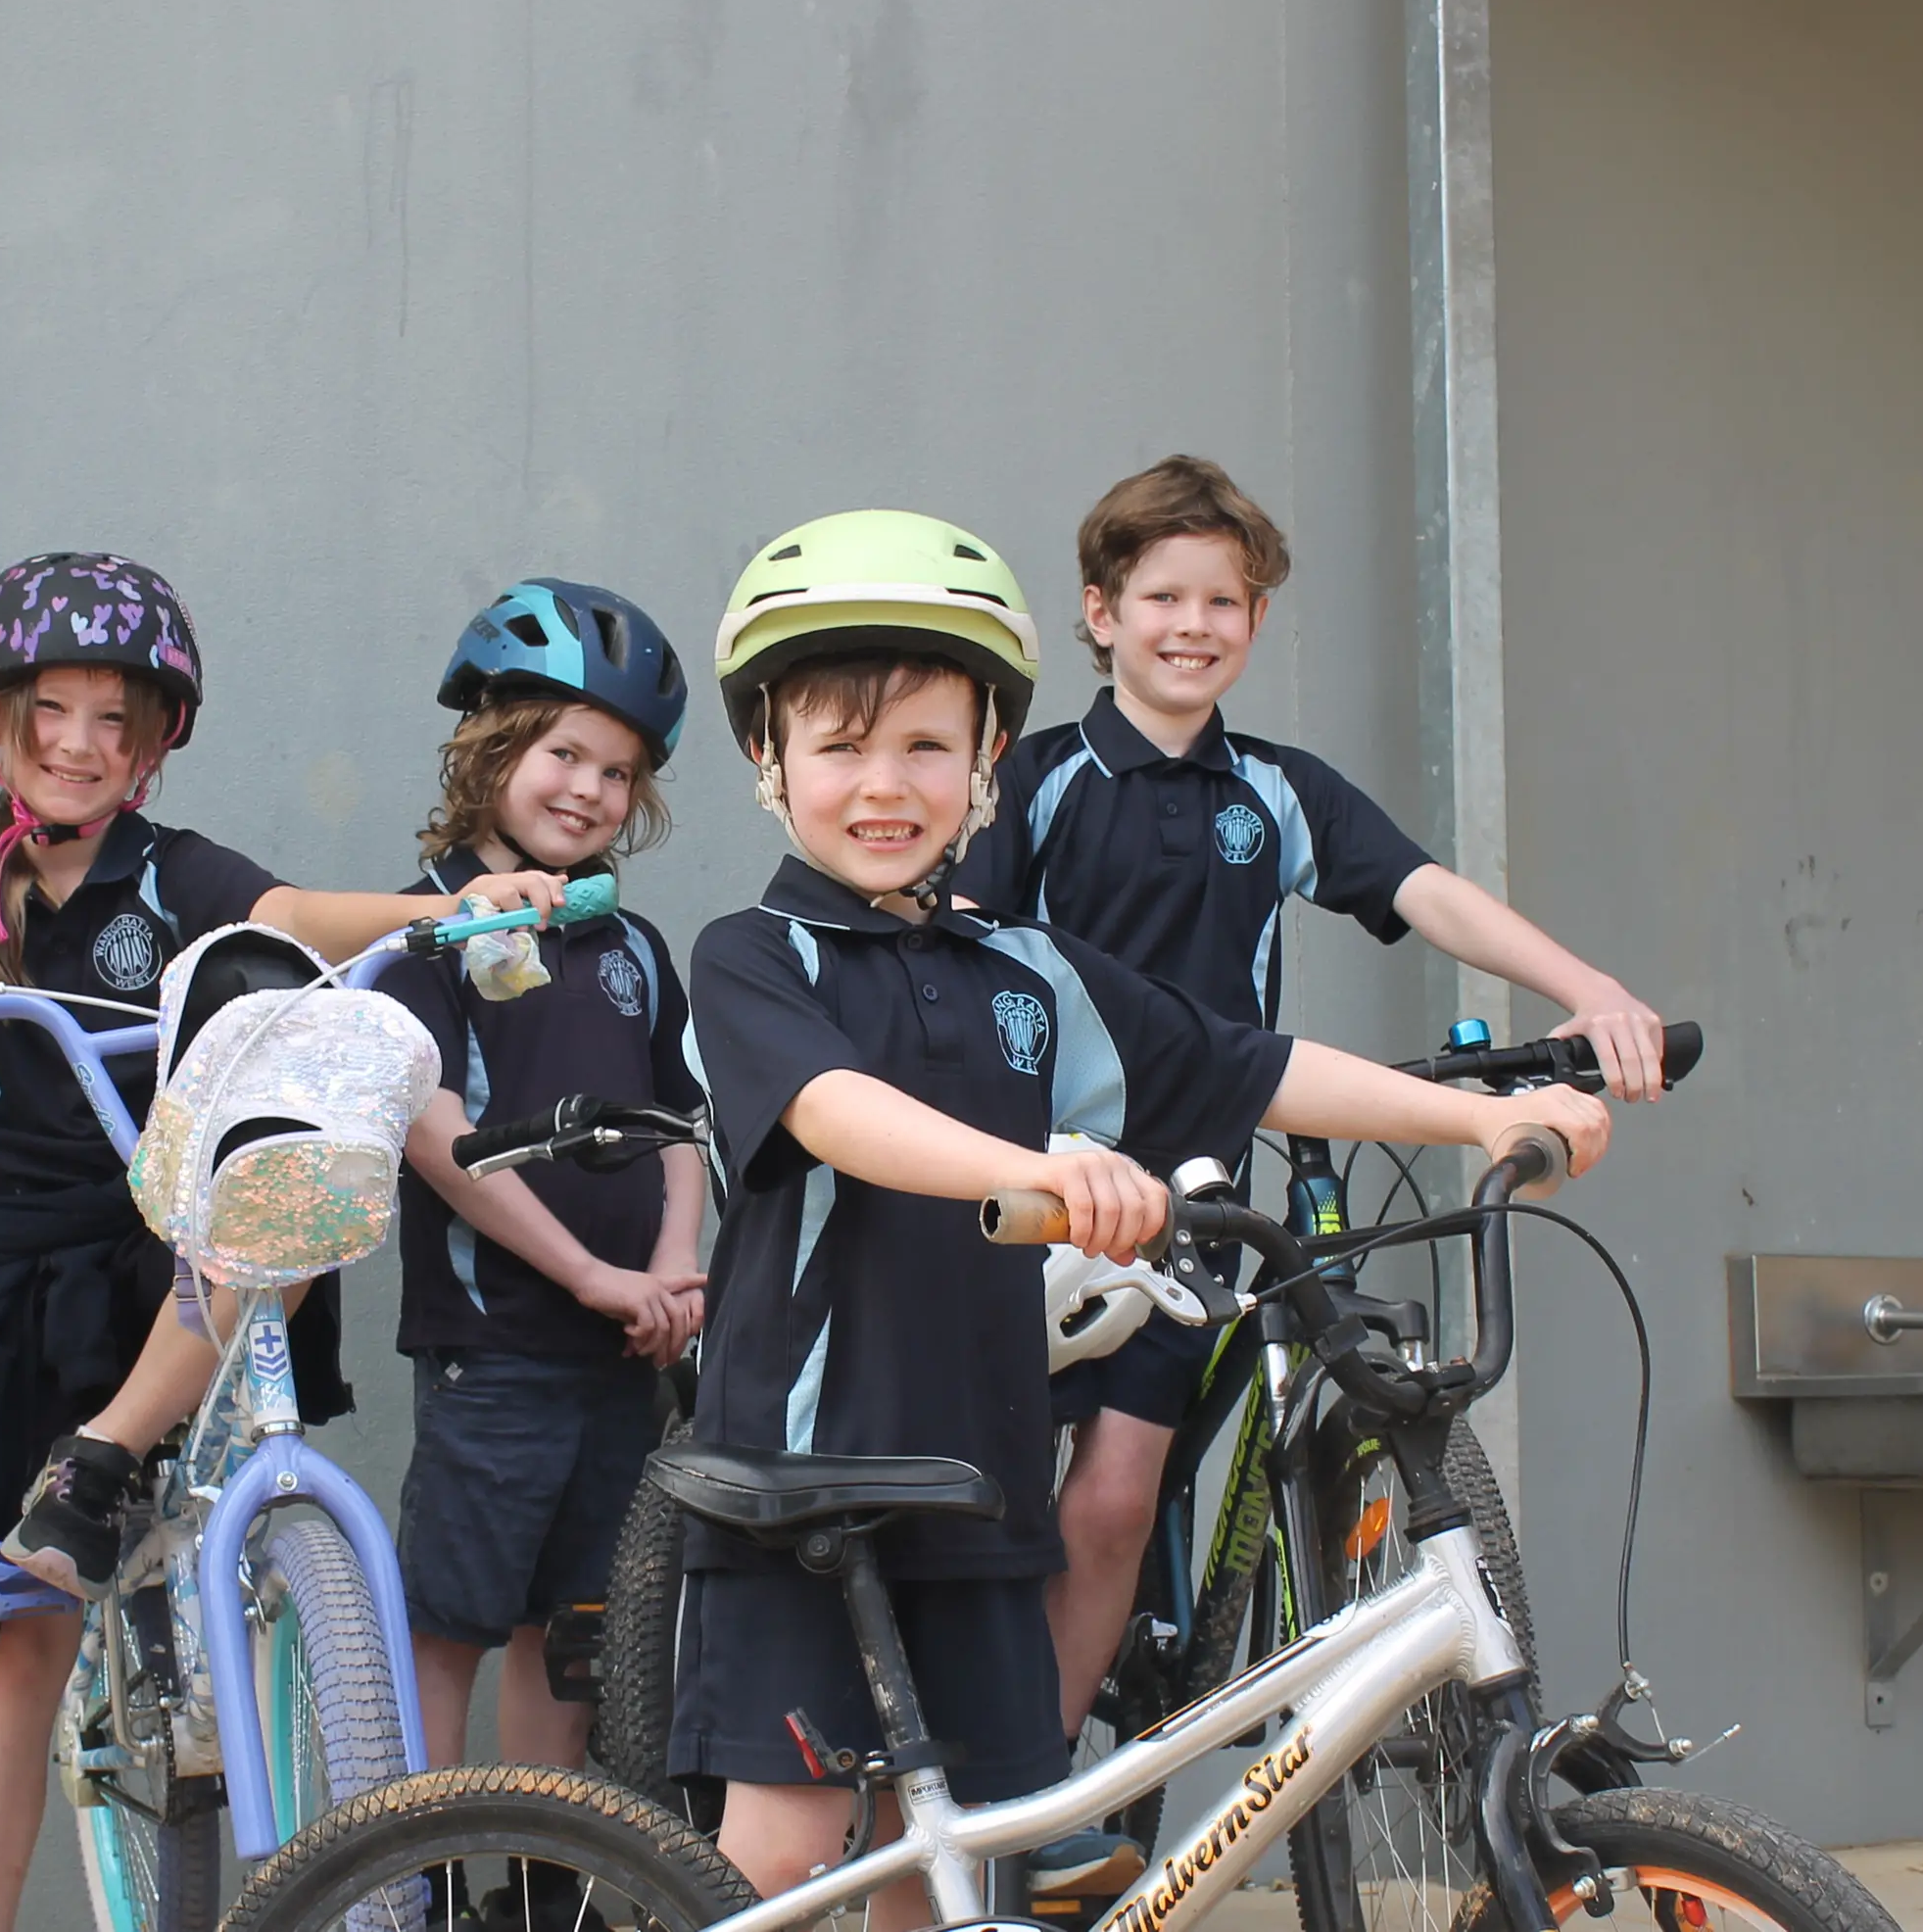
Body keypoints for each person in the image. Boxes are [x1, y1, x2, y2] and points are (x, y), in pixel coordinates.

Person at [668, 508, 1610, 1930]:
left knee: (958, 1870)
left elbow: (1250, 1062)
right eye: (841, 747)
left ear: (989, 761)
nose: (886, 783)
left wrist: (1485, 1119)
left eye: (928, 745)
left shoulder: (1031, 969)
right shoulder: (757, 955)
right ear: (768, 763)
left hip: (980, 1490)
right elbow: (837, 1112)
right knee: (788, 1859)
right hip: (809, 1487)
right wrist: (1037, 1169)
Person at [950, 454, 1667, 1894]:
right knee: (992, 1500)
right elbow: (961, 954)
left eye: (1227, 599)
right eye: (1162, 596)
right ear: (1100, 611)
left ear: (1257, 621)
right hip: (1038, 1186)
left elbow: (1424, 891)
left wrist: (1586, 983)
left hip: (1201, 1188)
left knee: (1112, 1499)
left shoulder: (1274, 792)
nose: (1194, 622)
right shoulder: (1035, 775)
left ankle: (1043, 1813)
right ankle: (980, 1781)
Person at [0, 553, 575, 1932]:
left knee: (283, 1198)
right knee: (18, 1646)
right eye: (47, 712)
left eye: (114, 720)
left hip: (168, 1238)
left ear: (156, 742)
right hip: (28, 1272)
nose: (78, 744)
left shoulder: (181, 875)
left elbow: (290, 920)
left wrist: (444, 910)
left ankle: (110, 1456)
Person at [376, 581, 708, 1776]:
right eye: (563, 753)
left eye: (618, 772)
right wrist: (588, 1274)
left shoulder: (631, 944)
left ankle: (534, 1883)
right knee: (453, 1621)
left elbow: (678, 1124)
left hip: (621, 1353)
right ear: (490, 747)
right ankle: (408, 1877)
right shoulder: (421, 930)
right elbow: (437, 1138)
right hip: (498, 1350)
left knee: (572, 1633)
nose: (588, 789)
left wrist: (672, 1269)